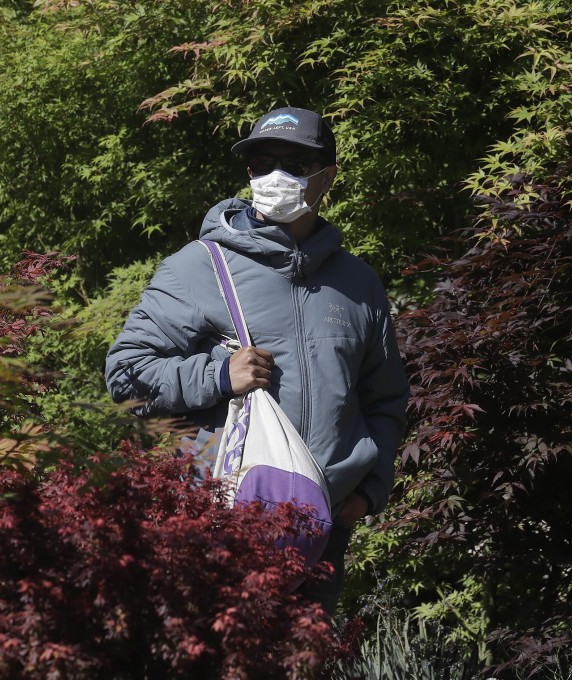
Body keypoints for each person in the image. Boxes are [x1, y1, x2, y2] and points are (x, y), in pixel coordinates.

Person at [105, 106, 409, 612]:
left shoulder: (359, 285)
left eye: (294, 163)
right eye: (262, 162)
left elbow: (386, 400)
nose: (275, 176)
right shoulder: (199, 267)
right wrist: (218, 375)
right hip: (222, 520)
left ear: (326, 177)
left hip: (323, 527)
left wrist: (368, 493)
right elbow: (126, 374)